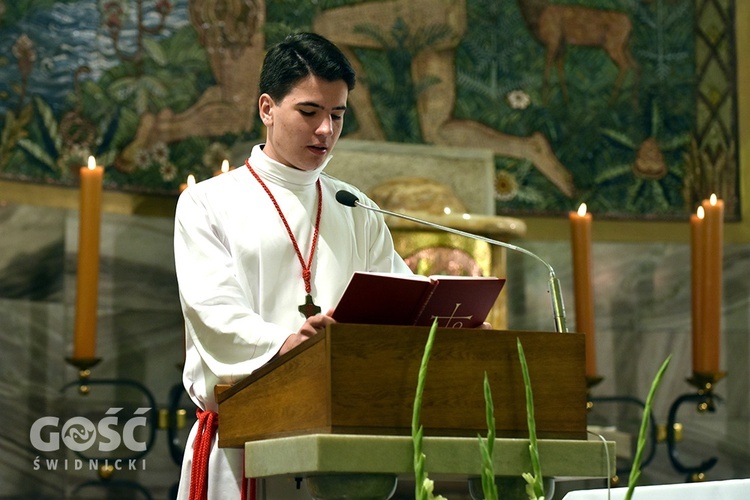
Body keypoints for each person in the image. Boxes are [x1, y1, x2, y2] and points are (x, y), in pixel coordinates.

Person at [173, 32, 411, 499]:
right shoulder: (208, 203)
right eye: (309, 112)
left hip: (342, 442)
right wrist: (287, 344)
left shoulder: (354, 206)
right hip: (244, 442)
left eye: (338, 115)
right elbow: (215, 316)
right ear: (267, 108)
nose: (326, 130)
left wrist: (451, 324)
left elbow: (397, 298)